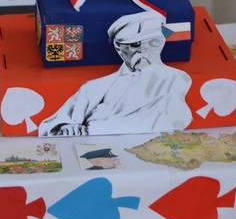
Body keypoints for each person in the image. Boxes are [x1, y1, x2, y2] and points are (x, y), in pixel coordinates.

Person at [38, 11, 193, 136]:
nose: (143, 50)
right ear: (119, 48)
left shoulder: (176, 79)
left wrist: (92, 129)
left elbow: (173, 120)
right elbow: (51, 125)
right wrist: (66, 127)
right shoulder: (93, 87)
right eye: (134, 45)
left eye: (153, 43)